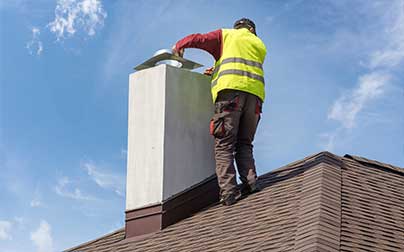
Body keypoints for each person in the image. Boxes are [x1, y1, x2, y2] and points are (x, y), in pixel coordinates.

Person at [172, 18, 267, 206]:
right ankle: (251, 183)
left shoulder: (227, 35)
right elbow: (241, 66)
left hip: (230, 96)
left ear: (238, 28)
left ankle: (229, 193)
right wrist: (216, 70)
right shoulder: (259, 44)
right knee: (245, 143)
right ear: (251, 29)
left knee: (224, 144)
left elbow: (199, 39)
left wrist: (179, 45)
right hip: (254, 99)